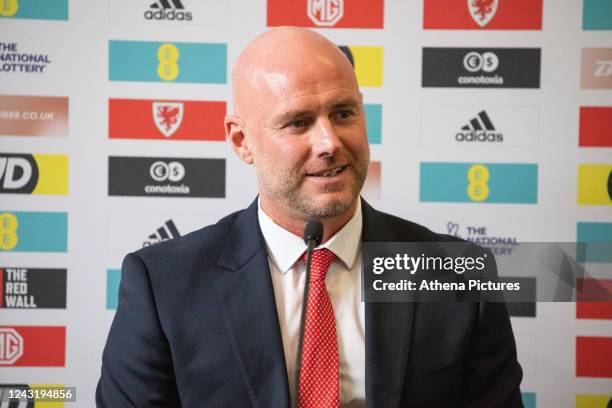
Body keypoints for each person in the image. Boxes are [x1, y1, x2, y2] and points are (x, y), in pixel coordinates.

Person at [96, 27, 523, 407]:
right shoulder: (162, 284)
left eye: (343, 113)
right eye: (298, 123)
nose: (329, 143)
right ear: (242, 141)